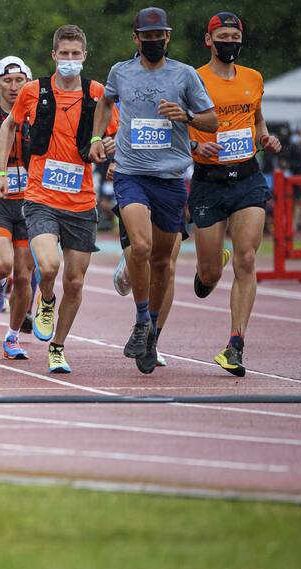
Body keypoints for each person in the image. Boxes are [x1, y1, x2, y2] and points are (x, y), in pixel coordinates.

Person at [90, 7, 218, 374]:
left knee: (163, 261)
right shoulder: (120, 72)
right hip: (131, 174)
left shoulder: (185, 75)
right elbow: (105, 102)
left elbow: (212, 119)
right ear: (136, 39)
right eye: (147, 37)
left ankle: (152, 333)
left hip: (171, 179)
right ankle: (142, 319)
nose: (153, 42)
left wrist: (187, 116)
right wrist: (98, 137)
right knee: (141, 247)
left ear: (168, 36)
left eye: (159, 36)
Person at [0, 25, 118, 373]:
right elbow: (9, 126)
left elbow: (116, 135)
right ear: (53, 56)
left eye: (75, 55)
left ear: (85, 56)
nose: (69, 60)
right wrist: (2, 173)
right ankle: (46, 299)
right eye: (63, 54)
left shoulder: (98, 94)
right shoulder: (33, 91)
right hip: (41, 198)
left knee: (75, 281)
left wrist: (112, 151)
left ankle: (58, 347)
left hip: (81, 202)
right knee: (48, 266)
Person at [188, 12, 280, 376]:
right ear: (209, 40)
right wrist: (197, 143)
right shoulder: (194, 79)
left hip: (247, 178)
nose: (230, 42)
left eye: (235, 36)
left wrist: (264, 137)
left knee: (247, 259)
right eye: (222, 36)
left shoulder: (254, 78)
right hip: (208, 180)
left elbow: (257, 119)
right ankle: (211, 267)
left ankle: (235, 345)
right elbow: (179, 125)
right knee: (209, 275)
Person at [0, 56, 36, 360]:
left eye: (19, 81)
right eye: (8, 80)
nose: (14, 87)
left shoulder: (38, 114)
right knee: (2, 264)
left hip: (29, 202)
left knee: (25, 276)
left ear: (28, 82)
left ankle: (12, 337)